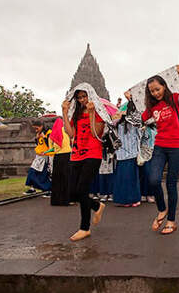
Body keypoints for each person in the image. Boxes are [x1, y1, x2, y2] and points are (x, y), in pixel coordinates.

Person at [138, 65, 179, 235]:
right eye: (152, 91)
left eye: (157, 89)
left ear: (164, 86)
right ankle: (162, 209)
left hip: (176, 146)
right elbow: (140, 118)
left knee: (171, 184)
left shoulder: (174, 99)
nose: (155, 93)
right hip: (160, 145)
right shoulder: (151, 108)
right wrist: (131, 99)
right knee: (153, 179)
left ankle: (171, 221)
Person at [62, 84, 108, 241]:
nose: (82, 100)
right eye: (79, 97)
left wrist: (91, 113)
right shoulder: (76, 113)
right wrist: (64, 112)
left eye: (84, 96)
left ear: (90, 95)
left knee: (82, 189)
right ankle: (96, 205)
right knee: (72, 193)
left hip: (92, 153)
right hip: (76, 154)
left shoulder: (98, 111)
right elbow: (71, 133)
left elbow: (97, 133)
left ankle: (84, 228)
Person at [112, 100, 142, 207]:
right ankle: (134, 199)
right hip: (132, 154)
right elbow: (139, 135)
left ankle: (123, 199)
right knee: (132, 179)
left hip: (121, 155)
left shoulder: (117, 125)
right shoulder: (133, 124)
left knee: (122, 179)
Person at [24, 120, 52, 195]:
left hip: (45, 155)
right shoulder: (39, 133)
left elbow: (51, 145)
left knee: (43, 173)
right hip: (39, 155)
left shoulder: (49, 132)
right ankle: (32, 187)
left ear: (41, 126)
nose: (36, 130)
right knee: (32, 171)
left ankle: (47, 188)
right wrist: (36, 139)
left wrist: (44, 137)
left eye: (37, 128)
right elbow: (39, 144)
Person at [49, 117, 72, 206]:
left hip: (57, 157)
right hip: (67, 155)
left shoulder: (52, 134)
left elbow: (51, 149)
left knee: (57, 179)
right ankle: (66, 199)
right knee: (66, 179)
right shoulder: (66, 131)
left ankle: (56, 200)